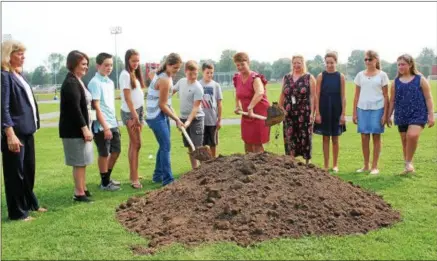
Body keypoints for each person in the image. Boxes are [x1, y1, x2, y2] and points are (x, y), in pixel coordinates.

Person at [1, 40, 47, 221]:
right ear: (8, 55)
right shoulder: (4, 76)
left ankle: (29, 203)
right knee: (15, 174)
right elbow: (2, 108)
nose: (23, 57)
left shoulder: (19, 75)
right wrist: (9, 133)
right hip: (15, 133)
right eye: (19, 53)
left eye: (23, 53)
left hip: (27, 131)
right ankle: (18, 213)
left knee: (28, 170)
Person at [387, 54, 435, 174]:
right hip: (401, 114)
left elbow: (428, 98)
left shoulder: (420, 79)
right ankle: (408, 165)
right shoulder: (395, 82)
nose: (400, 66)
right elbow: (392, 100)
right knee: (405, 141)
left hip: (418, 113)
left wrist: (431, 115)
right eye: (398, 64)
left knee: (412, 136)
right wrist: (388, 115)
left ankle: (408, 163)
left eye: (403, 64)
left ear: (410, 65)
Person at [59, 50, 94, 202]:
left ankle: (83, 187)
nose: (86, 67)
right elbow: (75, 108)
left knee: (83, 160)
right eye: (83, 64)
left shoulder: (78, 80)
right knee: (79, 162)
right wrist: (84, 128)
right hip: (74, 131)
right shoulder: (71, 82)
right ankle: (78, 192)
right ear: (74, 65)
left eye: (87, 64)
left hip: (82, 128)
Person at [145, 53, 183, 186]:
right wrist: (177, 119)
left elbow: (151, 73)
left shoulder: (162, 74)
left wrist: (176, 117)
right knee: (166, 146)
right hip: (156, 115)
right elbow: (162, 105)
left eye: (178, 68)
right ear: (168, 65)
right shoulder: (165, 80)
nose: (177, 71)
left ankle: (157, 175)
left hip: (158, 114)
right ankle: (168, 179)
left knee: (163, 146)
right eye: (175, 68)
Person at [352, 50, 390, 175]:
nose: (367, 62)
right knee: (364, 137)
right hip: (362, 109)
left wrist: (385, 114)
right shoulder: (360, 75)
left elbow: (386, 96)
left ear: (376, 60)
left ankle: (375, 166)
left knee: (376, 136)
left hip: (378, 109)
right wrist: (354, 113)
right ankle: (366, 165)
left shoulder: (382, 75)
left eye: (370, 59)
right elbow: (356, 96)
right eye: (366, 59)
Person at [88, 53, 121, 191]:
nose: (109, 68)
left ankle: (107, 179)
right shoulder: (94, 83)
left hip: (113, 123)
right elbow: (96, 106)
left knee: (116, 151)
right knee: (104, 153)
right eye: (106, 65)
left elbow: (109, 105)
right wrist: (105, 127)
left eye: (111, 65)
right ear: (98, 66)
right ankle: (104, 183)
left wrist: (114, 123)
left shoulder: (110, 82)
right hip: (102, 126)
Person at [279, 55, 316, 165]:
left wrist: (312, 113)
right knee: (290, 136)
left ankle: (307, 162)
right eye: (294, 63)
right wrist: (280, 109)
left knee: (305, 135)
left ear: (303, 63)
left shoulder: (309, 77)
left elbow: (313, 96)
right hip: (288, 112)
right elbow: (282, 94)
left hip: (304, 111)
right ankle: (291, 161)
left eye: (298, 63)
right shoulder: (286, 77)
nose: (296, 65)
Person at [314, 52, 346, 172]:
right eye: (327, 63)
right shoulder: (320, 76)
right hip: (324, 108)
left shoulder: (340, 77)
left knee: (336, 138)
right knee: (325, 138)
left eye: (331, 62)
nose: (329, 65)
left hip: (336, 109)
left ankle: (335, 164)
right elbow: (316, 95)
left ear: (336, 62)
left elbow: (343, 96)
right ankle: (326, 165)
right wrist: (317, 113)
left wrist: (343, 113)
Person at [233, 52, 270, 153]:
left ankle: (261, 167)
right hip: (247, 114)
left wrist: (250, 107)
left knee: (257, 144)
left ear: (248, 63)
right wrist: (237, 105)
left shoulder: (255, 77)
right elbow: (237, 92)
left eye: (242, 64)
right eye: (238, 65)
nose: (240, 67)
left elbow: (260, 92)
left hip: (258, 113)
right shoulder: (238, 77)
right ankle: (248, 166)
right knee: (247, 142)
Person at [119, 49, 146, 189]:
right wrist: (135, 116)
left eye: (137, 60)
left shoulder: (134, 74)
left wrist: (141, 113)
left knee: (134, 144)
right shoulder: (125, 75)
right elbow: (127, 98)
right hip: (131, 113)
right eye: (133, 61)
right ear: (127, 60)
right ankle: (134, 179)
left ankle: (133, 174)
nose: (136, 63)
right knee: (136, 144)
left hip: (138, 111)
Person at [173, 61, 205, 169]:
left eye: (195, 74)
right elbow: (171, 91)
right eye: (190, 74)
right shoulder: (181, 82)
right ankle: (194, 169)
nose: (193, 77)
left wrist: (188, 122)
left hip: (196, 119)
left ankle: (204, 169)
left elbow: (196, 107)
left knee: (197, 146)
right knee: (190, 146)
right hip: (183, 118)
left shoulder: (198, 87)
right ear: (185, 72)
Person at [199, 62, 223, 158]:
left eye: (211, 73)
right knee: (202, 143)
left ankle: (213, 161)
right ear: (203, 72)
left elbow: (219, 103)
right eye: (207, 72)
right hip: (200, 119)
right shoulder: (198, 84)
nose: (210, 75)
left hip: (212, 119)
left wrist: (219, 119)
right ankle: (205, 163)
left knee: (213, 143)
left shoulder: (216, 85)